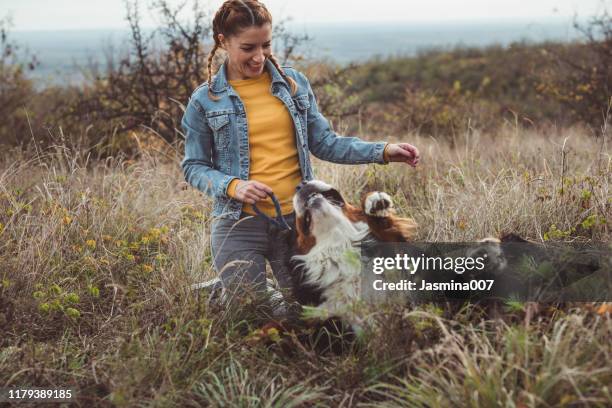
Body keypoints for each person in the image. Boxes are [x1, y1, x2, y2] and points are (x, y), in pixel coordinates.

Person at [181, 0, 420, 302]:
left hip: (297, 223)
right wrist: (233, 185)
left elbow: (325, 142)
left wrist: (384, 151)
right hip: (238, 224)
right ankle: (229, 289)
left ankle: (241, 288)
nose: (259, 57)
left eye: (265, 45)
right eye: (248, 48)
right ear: (223, 42)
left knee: (306, 310)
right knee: (251, 312)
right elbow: (194, 166)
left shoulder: (293, 85)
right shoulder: (205, 100)